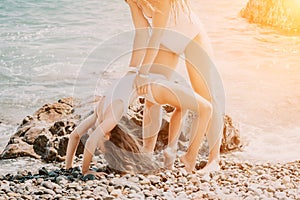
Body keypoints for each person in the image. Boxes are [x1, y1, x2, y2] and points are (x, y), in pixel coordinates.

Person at [125, 0, 225, 172]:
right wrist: (132, 70)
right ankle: (146, 155)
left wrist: (143, 73)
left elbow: (155, 36)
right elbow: (141, 34)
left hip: (192, 36)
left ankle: (213, 160)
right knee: (151, 96)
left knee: (207, 95)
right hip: (168, 41)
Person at [65, 70, 212, 175]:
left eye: (99, 146)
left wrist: (83, 170)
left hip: (154, 85)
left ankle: (172, 151)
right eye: (100, 147)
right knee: (197, 107)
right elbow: (78, 136)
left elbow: (85, 139)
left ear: (107, 136)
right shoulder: (104, 114)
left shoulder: (106, 116)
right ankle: (179, 154)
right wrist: (70, 167)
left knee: (188, 107)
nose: (96, 145)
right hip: (155, 85)